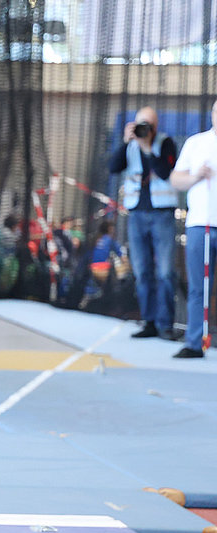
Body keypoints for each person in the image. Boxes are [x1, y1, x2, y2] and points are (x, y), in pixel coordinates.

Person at [107, 106, 181, 340]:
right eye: (140, 124)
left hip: (162, 214)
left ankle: (165, 324)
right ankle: (148, 321)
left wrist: (147, 147)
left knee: (165, 271)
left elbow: (166, 171)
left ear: (155, 126)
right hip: (137, 214)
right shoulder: (130, 146)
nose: (144, 129)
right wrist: (125, 142)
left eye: (148, 124)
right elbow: (113, 167)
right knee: (141, 270)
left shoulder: (165, 143)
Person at [169, 98, 217, 359]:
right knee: (198, 287)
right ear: (212, 114)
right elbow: (176, 179)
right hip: (201, 224)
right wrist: (197, 175)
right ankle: (195, 342)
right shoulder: (196, 143)